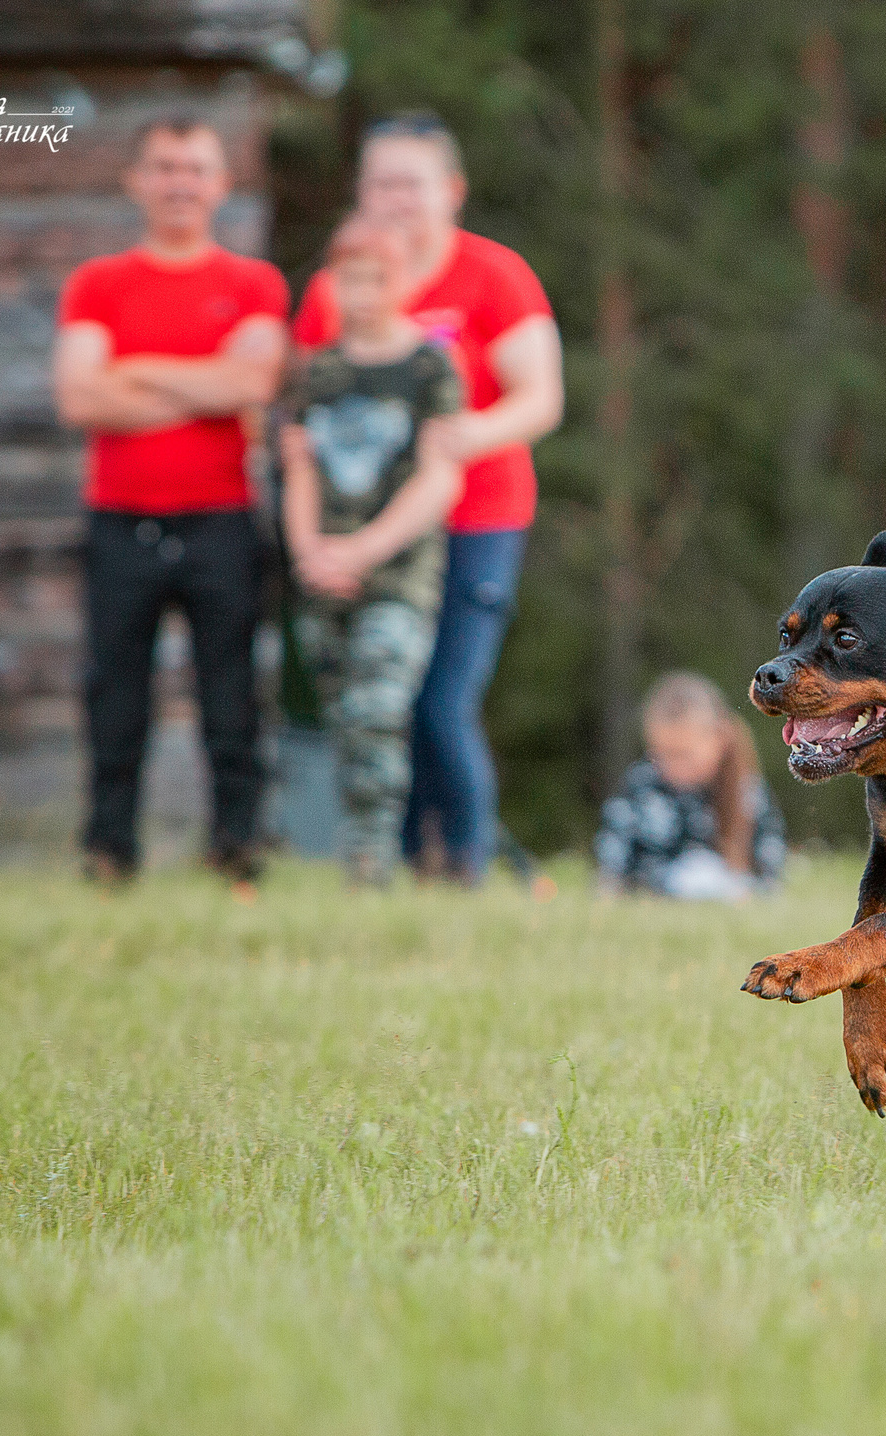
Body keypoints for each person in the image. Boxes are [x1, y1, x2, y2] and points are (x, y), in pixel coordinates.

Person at [291, 112, 564, 887]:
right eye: (379, 183)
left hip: (475, 519)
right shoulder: (333, 288)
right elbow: (308, 412)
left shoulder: (493, 275)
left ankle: (464, 867)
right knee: (384, 704)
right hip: (366, 531)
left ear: (451, 190)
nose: (394, 199)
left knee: (444, 701)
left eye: (410, 182)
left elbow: (539, 399)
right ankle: (406, 867)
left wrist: (457, 438)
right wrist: (326, 540)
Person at [52, 114, 288, 887]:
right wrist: (198, 379)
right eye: (164, 167)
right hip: (120, 518)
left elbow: (253, 384)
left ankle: (237, 846)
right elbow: (82, 397)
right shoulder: (98, 282)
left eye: (195, 168)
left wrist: (137, 374)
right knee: (114, 692)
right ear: (137, 182)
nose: (179, 183)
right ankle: (110, 849)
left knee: (230, 691)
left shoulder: (253, 284)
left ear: (221, 185)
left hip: (222, 517)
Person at [277, 217, 466, 885]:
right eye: (349, 276)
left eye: (377, 277)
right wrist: (309, 552)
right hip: (322, 573)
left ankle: (372, 863)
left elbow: (441, 476)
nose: (362, 291)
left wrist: (363, 550)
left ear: (404, 282)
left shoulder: (428, 366)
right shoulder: (318, 371)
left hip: (398, 574)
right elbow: (297, 467)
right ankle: (357, 853)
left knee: (378, 710)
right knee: (340, 719)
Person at [596, 673, 788, 900]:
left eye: (684, 755)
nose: (674, 767)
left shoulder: (745, 790)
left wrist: (747, 890)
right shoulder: (642, 786)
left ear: (720, 740)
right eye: (662, 755)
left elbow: (769, 865)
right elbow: (613, 857)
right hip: (655, 894)